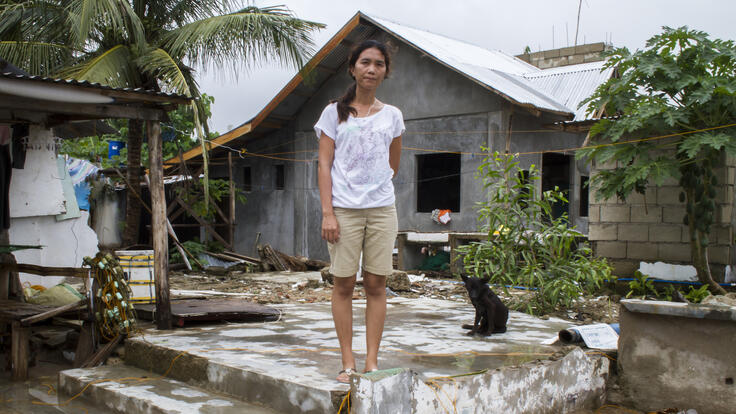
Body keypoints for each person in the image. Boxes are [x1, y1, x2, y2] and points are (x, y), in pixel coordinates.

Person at [314, 39, 404, 383]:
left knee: (377, 284)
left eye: (378, 64)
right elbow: (324, 165)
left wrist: (374, 184)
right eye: (365, 62)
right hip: (344, 211)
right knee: (344, 284)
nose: (371, 69)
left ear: (385, 71)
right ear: (352, 68)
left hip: (382, 210)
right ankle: (348, 362)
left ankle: (372, 362)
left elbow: (393, 164)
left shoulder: (392, 115)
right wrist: (328, 212)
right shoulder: (333, 112)